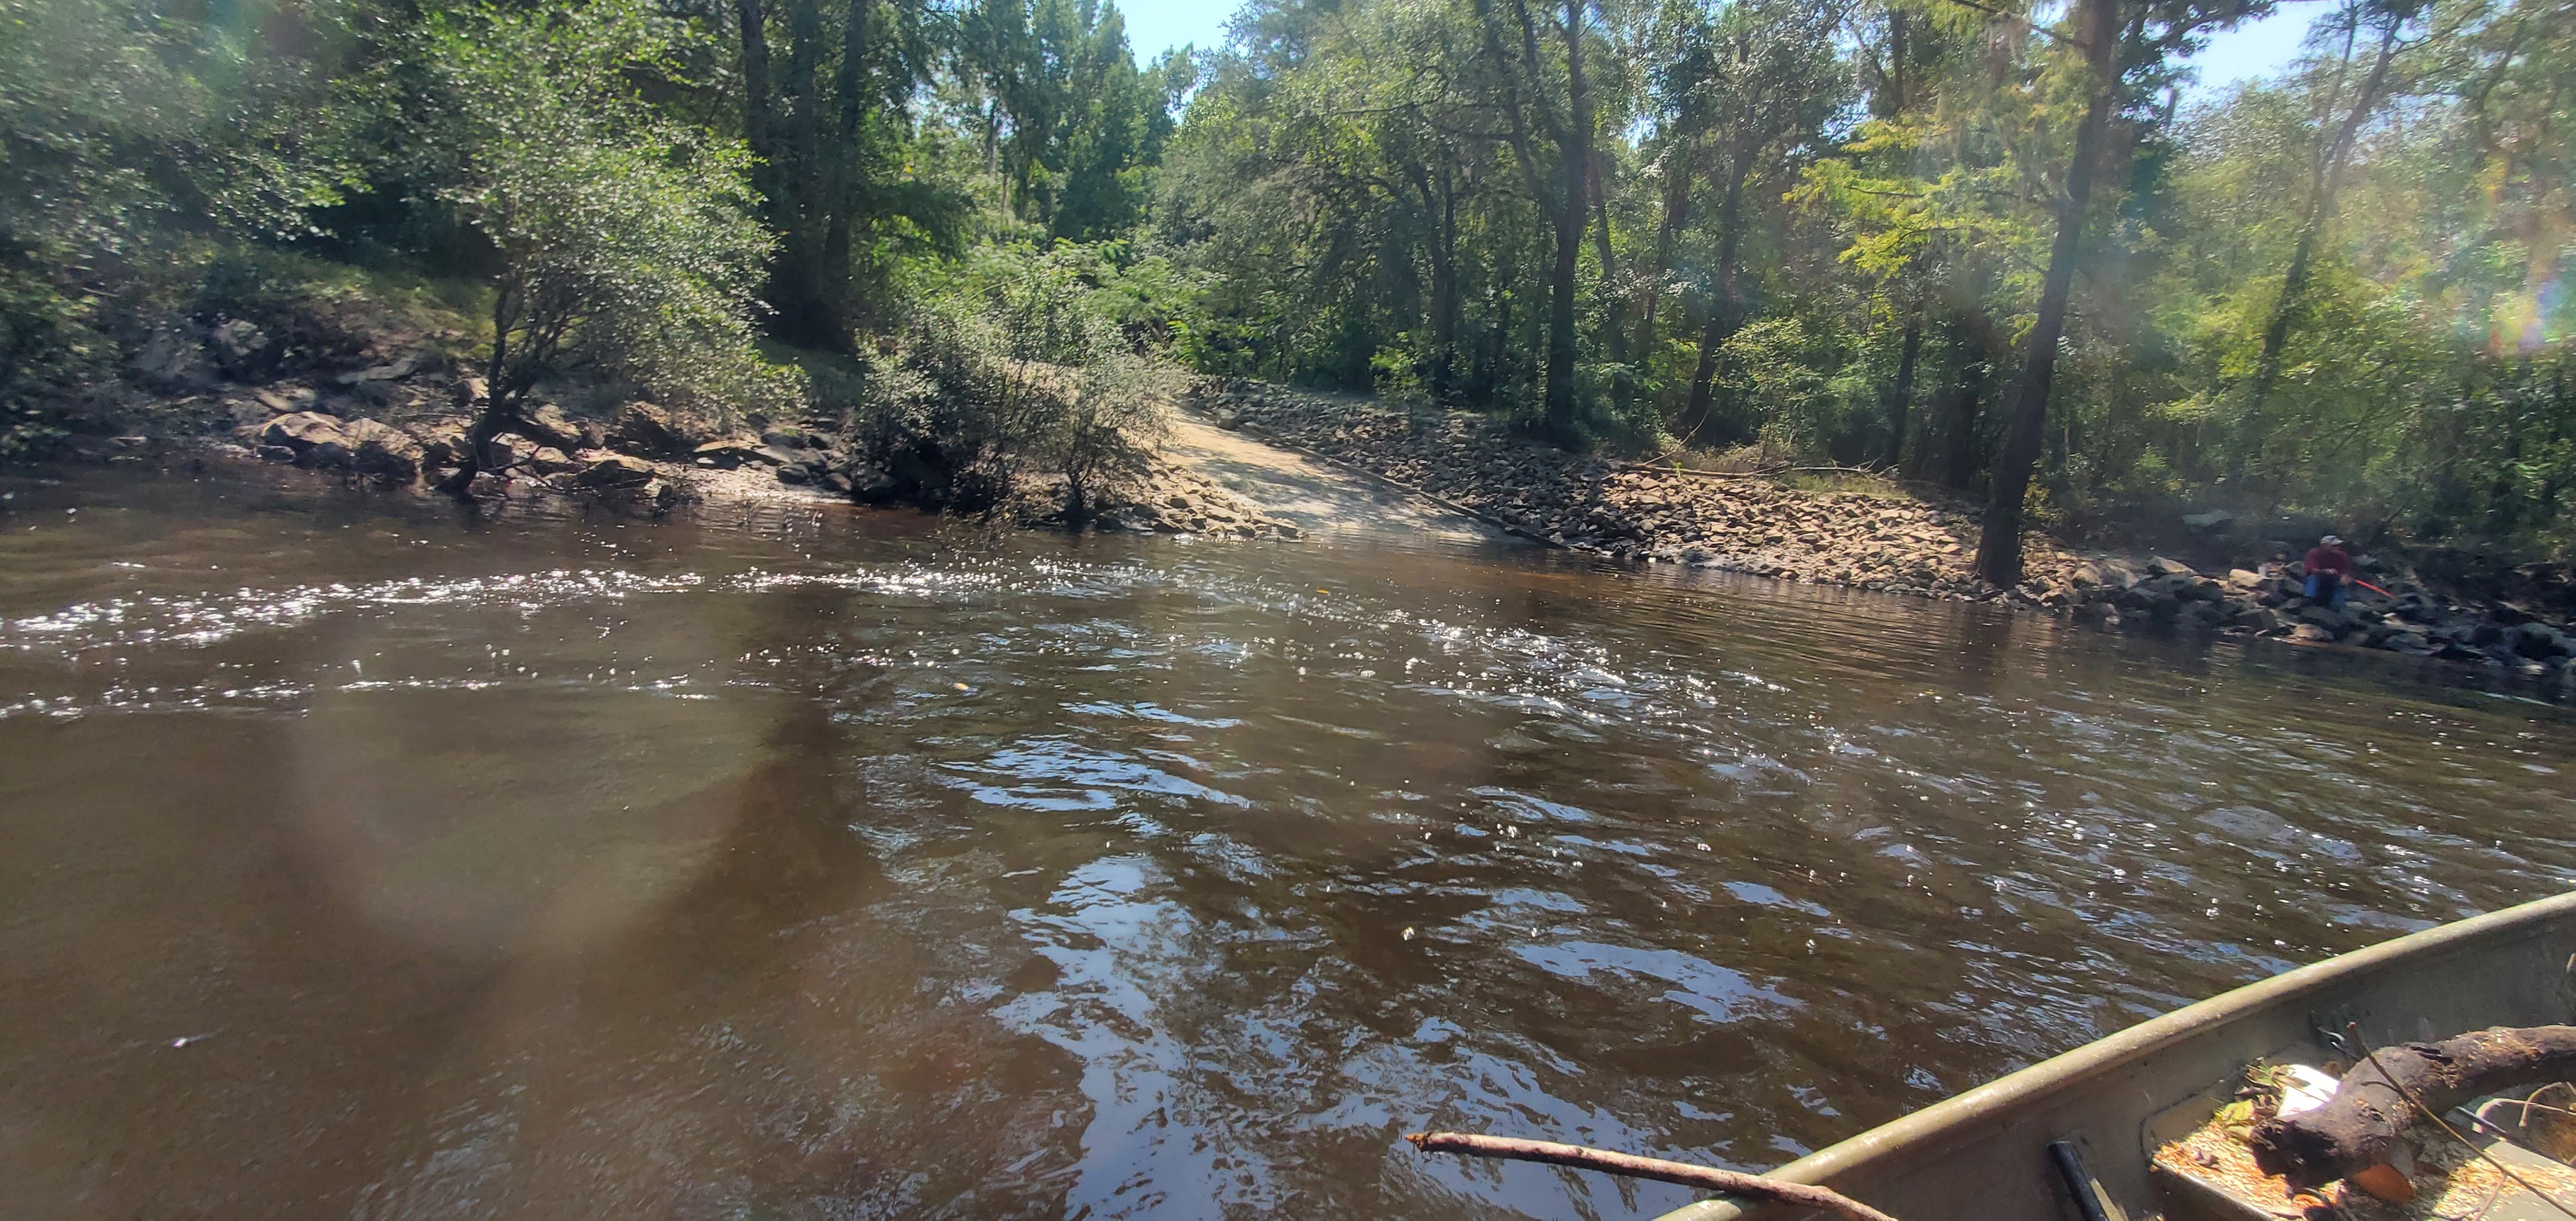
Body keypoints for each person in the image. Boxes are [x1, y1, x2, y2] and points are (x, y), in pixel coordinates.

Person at [2303, 534, 2354, 609]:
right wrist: (2325, 571)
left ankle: (2337, 606)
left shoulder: (2342, 556)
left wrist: (2345, 577)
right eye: (2334, 545)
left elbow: (2347, 570)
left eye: (2338, 545)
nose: (2337, 547)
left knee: (2341, 585)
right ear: (2324, 545)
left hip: (2333, 580)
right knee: (2314, 578)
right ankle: (2309, 598)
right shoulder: (2314, 553)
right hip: (2316, 578)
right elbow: (2311, 570)